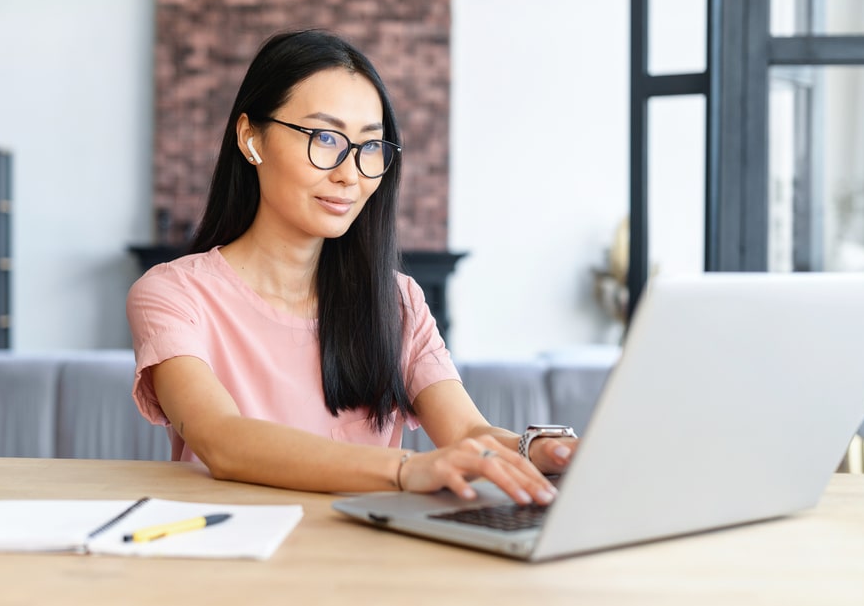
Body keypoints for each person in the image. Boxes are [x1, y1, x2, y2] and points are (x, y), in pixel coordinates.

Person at [126, 30, 575, 505]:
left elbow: (466, 430)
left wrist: (545, 450)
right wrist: (407, 470)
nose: (349, 173)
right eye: (324, 138)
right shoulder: (173, 294)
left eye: (370, 147)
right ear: (250, 137)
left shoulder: (397, 300)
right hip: (229, 554)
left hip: (363, 557)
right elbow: (222, 439)